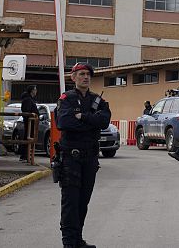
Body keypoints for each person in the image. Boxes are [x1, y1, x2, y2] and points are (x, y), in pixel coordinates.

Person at [56, 62, 112, 248]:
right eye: (81, 74)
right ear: (73, 77)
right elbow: (64, 122)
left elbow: (104, 121)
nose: (85, 77)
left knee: (83, 202)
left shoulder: (98, 100)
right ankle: (69, 243)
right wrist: (90, 123)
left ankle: (78, 240)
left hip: (90, 157)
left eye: (88, 74)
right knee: (70, 202)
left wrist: (83, 117)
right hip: (71, 157)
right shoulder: (66, 99)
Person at [19, 85, 38, 161]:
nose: (36, 91)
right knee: (28, 136)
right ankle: (24, 155)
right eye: (35, 89)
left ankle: (26, 155)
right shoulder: (27, 99)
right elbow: (26, 110)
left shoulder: (30, 99)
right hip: (29, 121)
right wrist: (32, 115)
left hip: (32, 121)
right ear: (32, 90)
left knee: (29, 137)